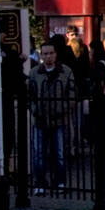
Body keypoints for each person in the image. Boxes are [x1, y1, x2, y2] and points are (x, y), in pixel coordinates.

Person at [27, 41, 74, 193]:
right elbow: (30, 95)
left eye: (51, 53)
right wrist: (35, 109)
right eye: (45, 53)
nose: (48, 56)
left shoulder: (65, 71)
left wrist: (63, 109)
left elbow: (72, 94)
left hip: (59, 118)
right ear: (41, 55)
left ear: (55, 54)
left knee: (59, 152)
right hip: (40, 118)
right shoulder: (34, 73)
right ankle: (40, 183)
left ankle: (60, 182)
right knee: (39, 153)